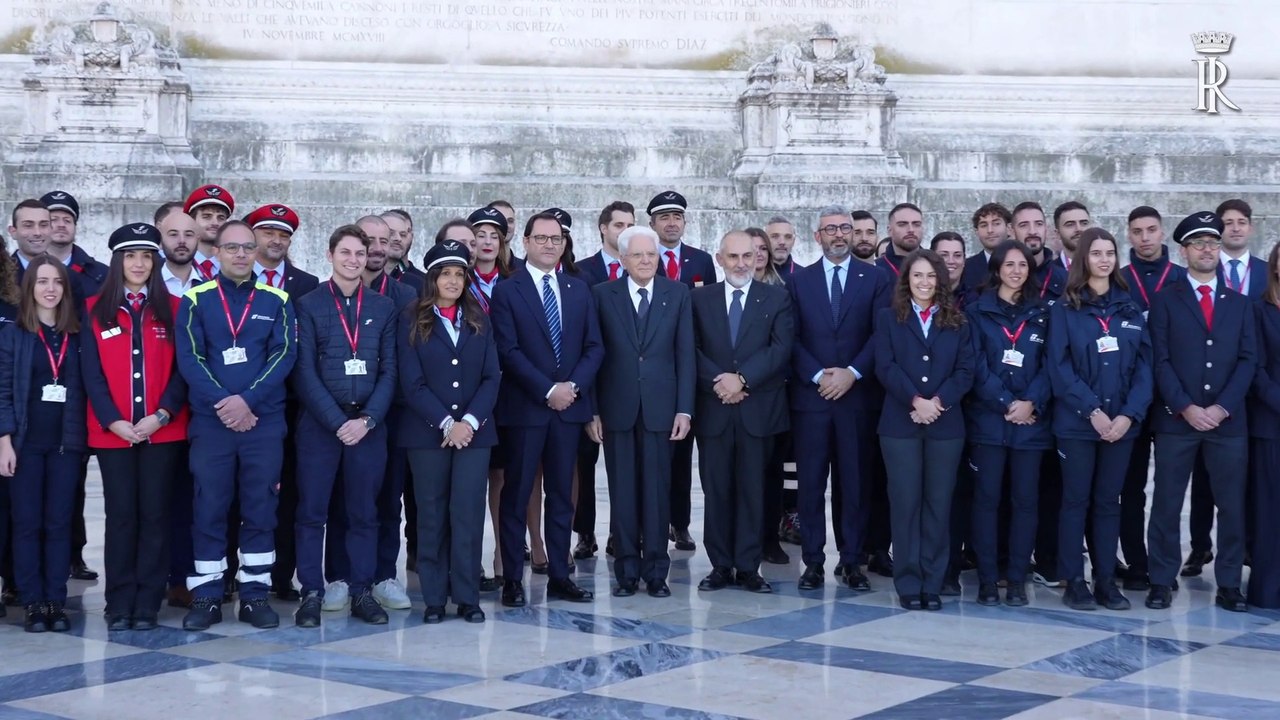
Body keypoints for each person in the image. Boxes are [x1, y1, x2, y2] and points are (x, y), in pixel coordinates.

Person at [175, 220, 297, 631]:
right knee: (209, 506)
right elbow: (191, 360)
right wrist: (226, 404)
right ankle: (208, 596)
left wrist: (248, 400)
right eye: (232, 248)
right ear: (218, 252)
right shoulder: (195, 300)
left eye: (248, 247)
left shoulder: (277, 299)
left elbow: (283, 356)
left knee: (261, 507)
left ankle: (254, 594)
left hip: (263, 421)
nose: (241, 255)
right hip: (213, 423)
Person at [490, 211, 603, 607]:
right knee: (516, 494)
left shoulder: (578, 288)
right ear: (524, 242)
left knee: (561, 495)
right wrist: (547, 389)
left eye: (556, 239)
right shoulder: (508, 290)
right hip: (526, 410)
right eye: (541, 238)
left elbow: (594, 347)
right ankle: (511, 581)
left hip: (567, 409)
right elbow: (508, 351)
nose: (550, 245)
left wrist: (571, 388)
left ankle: (559, 574)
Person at [1146, 211, 1255, 613]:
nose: (1207, 249)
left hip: (1228, 422)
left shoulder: (1240, 304)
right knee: (1167, 503)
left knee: (1231, 504)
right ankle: (1161, 578)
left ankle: (1228, 582)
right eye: (1198, 244)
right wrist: (1187, 406)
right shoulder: (1165, 301)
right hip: (1179, 420)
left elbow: (1248, 360)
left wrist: (1223, 407)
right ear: (1184, 251)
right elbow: (1160, 360)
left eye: (1212, 242)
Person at [81, 223, 188, 631]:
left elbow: (183, 371)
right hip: (114, 434)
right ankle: (118, 600)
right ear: (117, 262)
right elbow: (91, 374)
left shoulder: (175, 309)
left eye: (146, 256)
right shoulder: (94, 309)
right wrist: (115, 421)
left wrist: (160, 415)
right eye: (130, 256)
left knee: (156, 515)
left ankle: (147, 601)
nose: (139, 264)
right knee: (122, 516)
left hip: (163, 431)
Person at [291, 224, 398, 628]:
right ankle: (312, 592)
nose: (353, 260)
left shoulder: (382, 308)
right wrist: (339, 422)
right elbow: (304, 372)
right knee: (312, 512)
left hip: (368, 427)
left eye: (359, 253)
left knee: (363, 513)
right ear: (330, 255)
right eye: (346, 253)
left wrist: (367, 420)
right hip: (321, 426)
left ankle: (361, 590)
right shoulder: (308, 304)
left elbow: (390, 371)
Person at [1046, 227, 1151, 612]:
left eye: (1110, 253)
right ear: (1082, 260)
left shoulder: (1129, 307)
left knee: (1109, 502)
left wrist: (1127, 415)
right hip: (1078, 424)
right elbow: (1059, 368)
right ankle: (1075, 580)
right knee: (1076, 501)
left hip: (1121, 427)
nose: (1104, 259)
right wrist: (1092, 411)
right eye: (1096, 253)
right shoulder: (1064, 309)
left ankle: (1106, 580)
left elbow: (1145, 368)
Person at [790, 205, 892, 591]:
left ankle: (851, 562)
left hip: (857, 399)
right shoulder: (800, 281)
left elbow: (880, 334)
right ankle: (813, 562)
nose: (838, 235)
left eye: (844, 229)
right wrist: (818, 374)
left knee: (855, 483)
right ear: (817, 236)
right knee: (811, 485)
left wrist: (852, 373)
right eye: (829, 229)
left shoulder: (877, 278)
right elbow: (792, 337)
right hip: (811, 401)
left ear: (853, 234)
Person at [589, 226, 693, 598]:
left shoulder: (677, 294)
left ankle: (656, 571)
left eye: (651, 254)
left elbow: (685, 355)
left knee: (657, 493)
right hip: (617, 410)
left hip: (662, 411)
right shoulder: (602, 295)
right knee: (623, 493)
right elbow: (594, 356)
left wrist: (685, 409)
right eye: (638, 255)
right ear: (623, 259)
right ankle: (627, 572)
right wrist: (594, 410)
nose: (646, 260)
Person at [399, 240, 500, 623]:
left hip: (475, 435)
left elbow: (492, 377)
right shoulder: (411, 319)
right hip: (427, 435)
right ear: (432, 279)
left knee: (468, 514)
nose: (454, 281)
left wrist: (468, 423)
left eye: (460, 274)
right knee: (431, 514)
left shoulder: (478, 318)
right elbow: (412, 383)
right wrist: (446, 423)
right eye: (446, 274)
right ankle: (435, 598)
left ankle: (468, 597)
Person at [692, 230, 793, 594]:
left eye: (747, 257)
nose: (740, 264)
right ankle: (720, 565)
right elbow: (691, 347)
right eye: (732, 257)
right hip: (714, 408)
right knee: (716, 489)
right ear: (720, 259)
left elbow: (780, 349)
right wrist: (720, 382)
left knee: (754, 490)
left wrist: (743, 380)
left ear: (757, 258)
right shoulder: (699, 298)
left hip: (758, 410)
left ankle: (749, 567)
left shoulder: (777, 298)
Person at [875, 249, 975, 610]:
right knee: (905, 505)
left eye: (931, 276)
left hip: (945, 425)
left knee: (938, 505)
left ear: (941, 280)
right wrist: (916, 400)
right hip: (900, 423)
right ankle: (908, 583)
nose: (924, 282)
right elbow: (885, 366)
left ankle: (932, 583)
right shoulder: (889, 318)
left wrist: (938, 403)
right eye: (917, 275)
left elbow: (965, 371)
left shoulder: (958, 321)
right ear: (906, 280)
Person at [0, 256, 85, 632]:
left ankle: (55, 600)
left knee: (58, 523)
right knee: (27, 523)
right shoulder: (13, 333)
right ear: (29, 287)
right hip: (24, 444)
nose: (49, 288)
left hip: (66, 445)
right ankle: (32, 602)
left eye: (57, 282)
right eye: (41, 281)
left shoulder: (77, 334)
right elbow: (2, 391)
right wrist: (4, 441)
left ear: (66, 289)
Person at [965, 240, 1051, 606]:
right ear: (996, 268)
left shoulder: (1045, 313)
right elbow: (975, 365)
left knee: (1025, 502)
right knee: (986, 501)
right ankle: (987, 578)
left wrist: (1030, 401)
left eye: (1023, 265)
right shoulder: (976, 312)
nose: (1016, 270)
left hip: (1030, 424)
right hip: (989, 423)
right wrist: (1006, 402)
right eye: (1009, 264)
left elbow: (1052, 365)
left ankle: (1016, 578)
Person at [244, 203, 318, 603]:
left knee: (290, 492)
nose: (276, 240)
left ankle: (281, 573)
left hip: (292, 404)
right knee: (240, 492)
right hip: (243, 405)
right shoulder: (234, 280)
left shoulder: (306, 285)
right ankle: (231, 575)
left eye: (283, 235)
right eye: (268, 232)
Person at [1117, 206, 1185, 592]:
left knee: (1170, 489)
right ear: (1129, 235)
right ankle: (1137, 562)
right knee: (1131, 487)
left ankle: (1165, 562)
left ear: (1162, 233)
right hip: (1135, 397)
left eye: (1151, 230)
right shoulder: (1120, 280)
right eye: (1138, 231)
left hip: (1175, 398)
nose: (1145, 237)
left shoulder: (1180, 277)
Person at [647, 191, 714, 552]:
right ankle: (649, 524)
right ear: (653, 224)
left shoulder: (700, 260)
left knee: (683, 454)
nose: (672, 223)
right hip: (653, 369)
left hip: (689, 367)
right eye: (664, 217)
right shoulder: (643, 258)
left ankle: (681, 523)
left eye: (677, 217)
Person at [573, 201, 635, 562]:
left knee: (624, 467)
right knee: (584, 463)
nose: (623, 230)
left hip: (627, 385)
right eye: (618, 225)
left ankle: (620, 532)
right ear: (602, 228)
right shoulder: (582, 272)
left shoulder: (642, 268)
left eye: (630, 224)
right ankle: (584, 533)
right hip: (589, 381)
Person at [1248, 242, 1280, 609]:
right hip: (1271, 423)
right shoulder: (1261, 309)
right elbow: (1255, 367)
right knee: (1271, 511)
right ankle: (1269, 590)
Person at [184, 184, 234, 282]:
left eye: (221, 218)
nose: (215, 223)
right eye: (207, 216)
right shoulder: (178, 262)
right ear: (191, 221)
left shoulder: (234, 264)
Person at [962, 202, 1012, 293]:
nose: (990, 230)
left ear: (1009, 228)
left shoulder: (1023, 264)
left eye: (996, 223)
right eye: (984, 225)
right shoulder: (966, 268)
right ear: (977, 232)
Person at [876, 202, 924, 277]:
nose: (911, 230)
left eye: (916, 224)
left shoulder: (936, 267)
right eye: (902, 224)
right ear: (889, 230)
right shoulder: (874, 270)